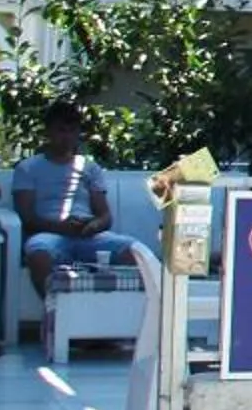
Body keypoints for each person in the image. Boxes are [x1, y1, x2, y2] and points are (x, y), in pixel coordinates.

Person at [12, 103, 150, 300]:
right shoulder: (27, 168)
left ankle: (127, 316)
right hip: (48, 235)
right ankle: (55, 312)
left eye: (72, 131)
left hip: (87, 236)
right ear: (48, 132)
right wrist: (61, 227)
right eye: (61, 130)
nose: (66, 137)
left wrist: (93, 225)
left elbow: (105, 216)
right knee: (38, 255)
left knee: (135, 252)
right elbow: (27, 218)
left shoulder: (89, 168)